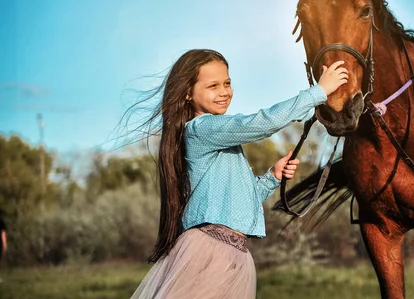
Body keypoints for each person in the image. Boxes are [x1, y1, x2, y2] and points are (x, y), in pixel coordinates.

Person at [131, 49, 348, 299]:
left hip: (233, 252)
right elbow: (260, 123)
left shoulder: (216, 138)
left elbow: (238, 202)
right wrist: (318, 92)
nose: (224, 92)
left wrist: (272, 177)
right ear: (188, 93)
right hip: (210, 252)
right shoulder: (203, 128)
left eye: (227, 83)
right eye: (213, 85)